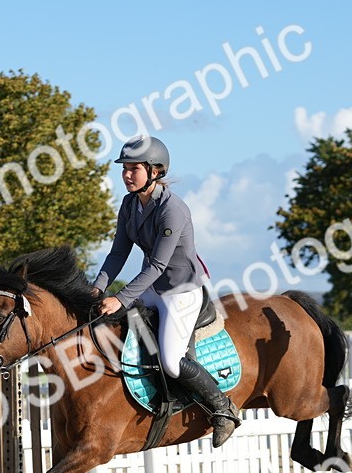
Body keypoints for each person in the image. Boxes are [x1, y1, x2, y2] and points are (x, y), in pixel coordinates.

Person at [90, 136, 240, 448]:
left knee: (172, 360)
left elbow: (158, 264)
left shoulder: (173, 210)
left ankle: (223, 409)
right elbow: (118, 253)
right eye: (125, 169)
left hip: (180, 292)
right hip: (153, 288)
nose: (127, 175)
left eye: (134, 169)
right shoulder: (130, 204)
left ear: (155, 171)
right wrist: (98, 286)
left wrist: (120, 297)